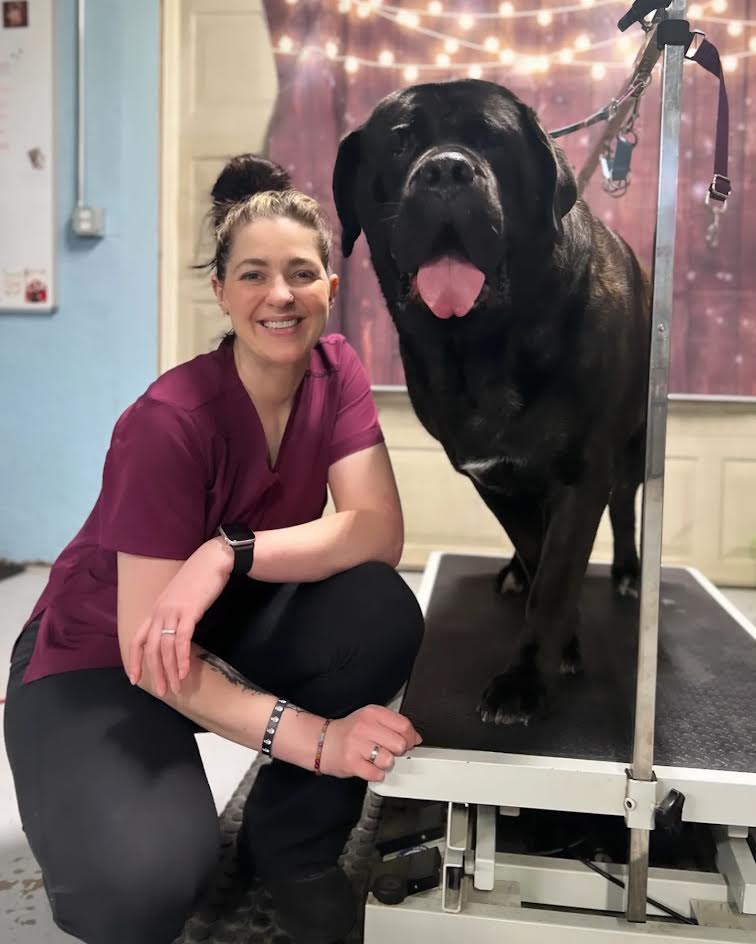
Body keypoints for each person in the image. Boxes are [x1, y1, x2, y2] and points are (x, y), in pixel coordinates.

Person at [3, 154, 425, 944]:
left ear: (330, 287)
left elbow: (376, 528)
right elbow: (150, 657)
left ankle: (291, 844)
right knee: (141, 887)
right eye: (254, 275)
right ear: (222, 292)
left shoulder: (336, 371)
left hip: (226, 615)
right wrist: (322, 741)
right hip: (106, 652)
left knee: (378, 610)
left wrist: (227, 552)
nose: (280, 295)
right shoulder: (168, 423)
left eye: (301, 273)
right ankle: (94, 808)